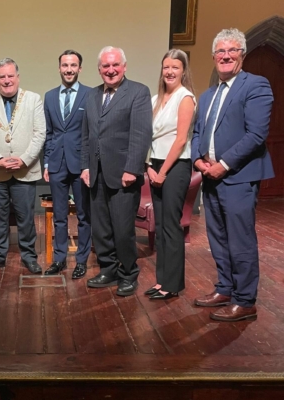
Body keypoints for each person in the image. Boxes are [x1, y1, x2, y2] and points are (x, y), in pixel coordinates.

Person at [192, 28, 274, 321]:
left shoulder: (256, 85)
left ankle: (244, 300)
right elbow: (198, 133)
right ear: (214, 57)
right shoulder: (208, 94)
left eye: (232, 50)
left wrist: (223, 165)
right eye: (220, 52)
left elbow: (256, 135)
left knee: (240, 240)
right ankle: (225, 288)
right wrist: (199, 161)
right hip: (210, 175)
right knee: (217, 237)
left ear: (242, 54)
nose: (225, 56)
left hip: (237, 176)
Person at [81, 46, 152, 296]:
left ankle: (128, 274)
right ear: (99, 69)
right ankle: (108, 270)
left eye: (115, 65)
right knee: (100, 229)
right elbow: (85, 135)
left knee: (122, 230)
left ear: (124, 67)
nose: (110, 70)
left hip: (124, 175)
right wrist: (85, 167)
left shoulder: (138, 92)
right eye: (105, 66)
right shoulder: (91, 96)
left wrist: (132, 168)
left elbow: (141, 134)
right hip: (96, 174)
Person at [0, 58, 45, 274]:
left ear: (18, 76)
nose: (7, 80)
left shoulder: (34, 99)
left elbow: (39, 134)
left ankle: (29, 256)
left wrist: (24, 159)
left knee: (26, 217)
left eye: (10, 76)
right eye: (2, 77)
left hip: (25, 170)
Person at [144, 49, 196, 300]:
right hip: (155, 165)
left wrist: (162, 173)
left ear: (183, 71)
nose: (170, 71)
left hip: (175, 167)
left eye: (175, 67)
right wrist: (149, 167)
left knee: (172, 227)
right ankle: (161, 280)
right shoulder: (156, 99)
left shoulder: (185, 98)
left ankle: (172, 284)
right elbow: (148, 138)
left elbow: (181, 139)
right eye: (166, 67)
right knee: (161, 224)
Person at [43, 50, 91, 279]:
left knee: (83, 216)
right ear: (59, 68)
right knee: (59, 216)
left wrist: (89, 165)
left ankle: (81, 261)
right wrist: (46, 162)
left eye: (73, 65)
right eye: (65, 65)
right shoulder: (50, 96)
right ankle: (60, 259)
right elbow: (49, 133)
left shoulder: (90, 95)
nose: (69, 69)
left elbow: (92, 134)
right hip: (56, 165)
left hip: (81, 165)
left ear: (80, 68)